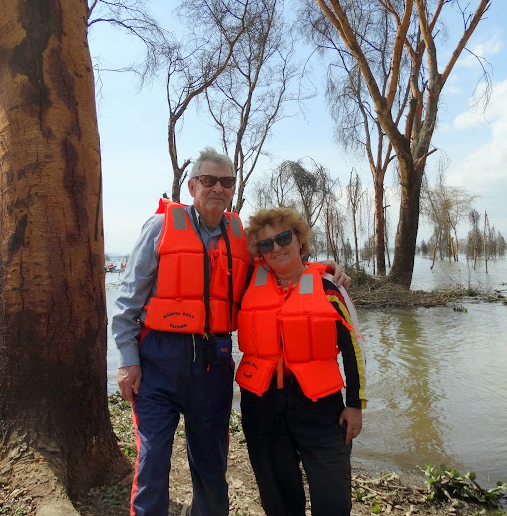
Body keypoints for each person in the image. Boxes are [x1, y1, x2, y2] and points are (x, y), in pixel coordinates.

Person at [113, 147, 350, 516]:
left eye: (226, 182)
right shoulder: (159, 228)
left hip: (213, 364)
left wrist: (323, 270)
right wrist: (128, 361)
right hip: (158, 361)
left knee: (211, 466)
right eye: (208, 180)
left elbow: (282, 263)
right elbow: (128, 300)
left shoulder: (241, 237)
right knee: (152, 459)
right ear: (192, 186)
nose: (217, 188)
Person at [236, 207, 366, 516]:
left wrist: (355, 404)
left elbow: (354, 349)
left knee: (333, 500)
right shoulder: (247, 284)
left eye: (283, 238)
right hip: (262, 406)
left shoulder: (328, 286)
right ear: (260, 252)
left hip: (320, 408)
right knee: (279, 500)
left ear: (300, 241)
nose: (276, 248)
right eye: (266, 244)